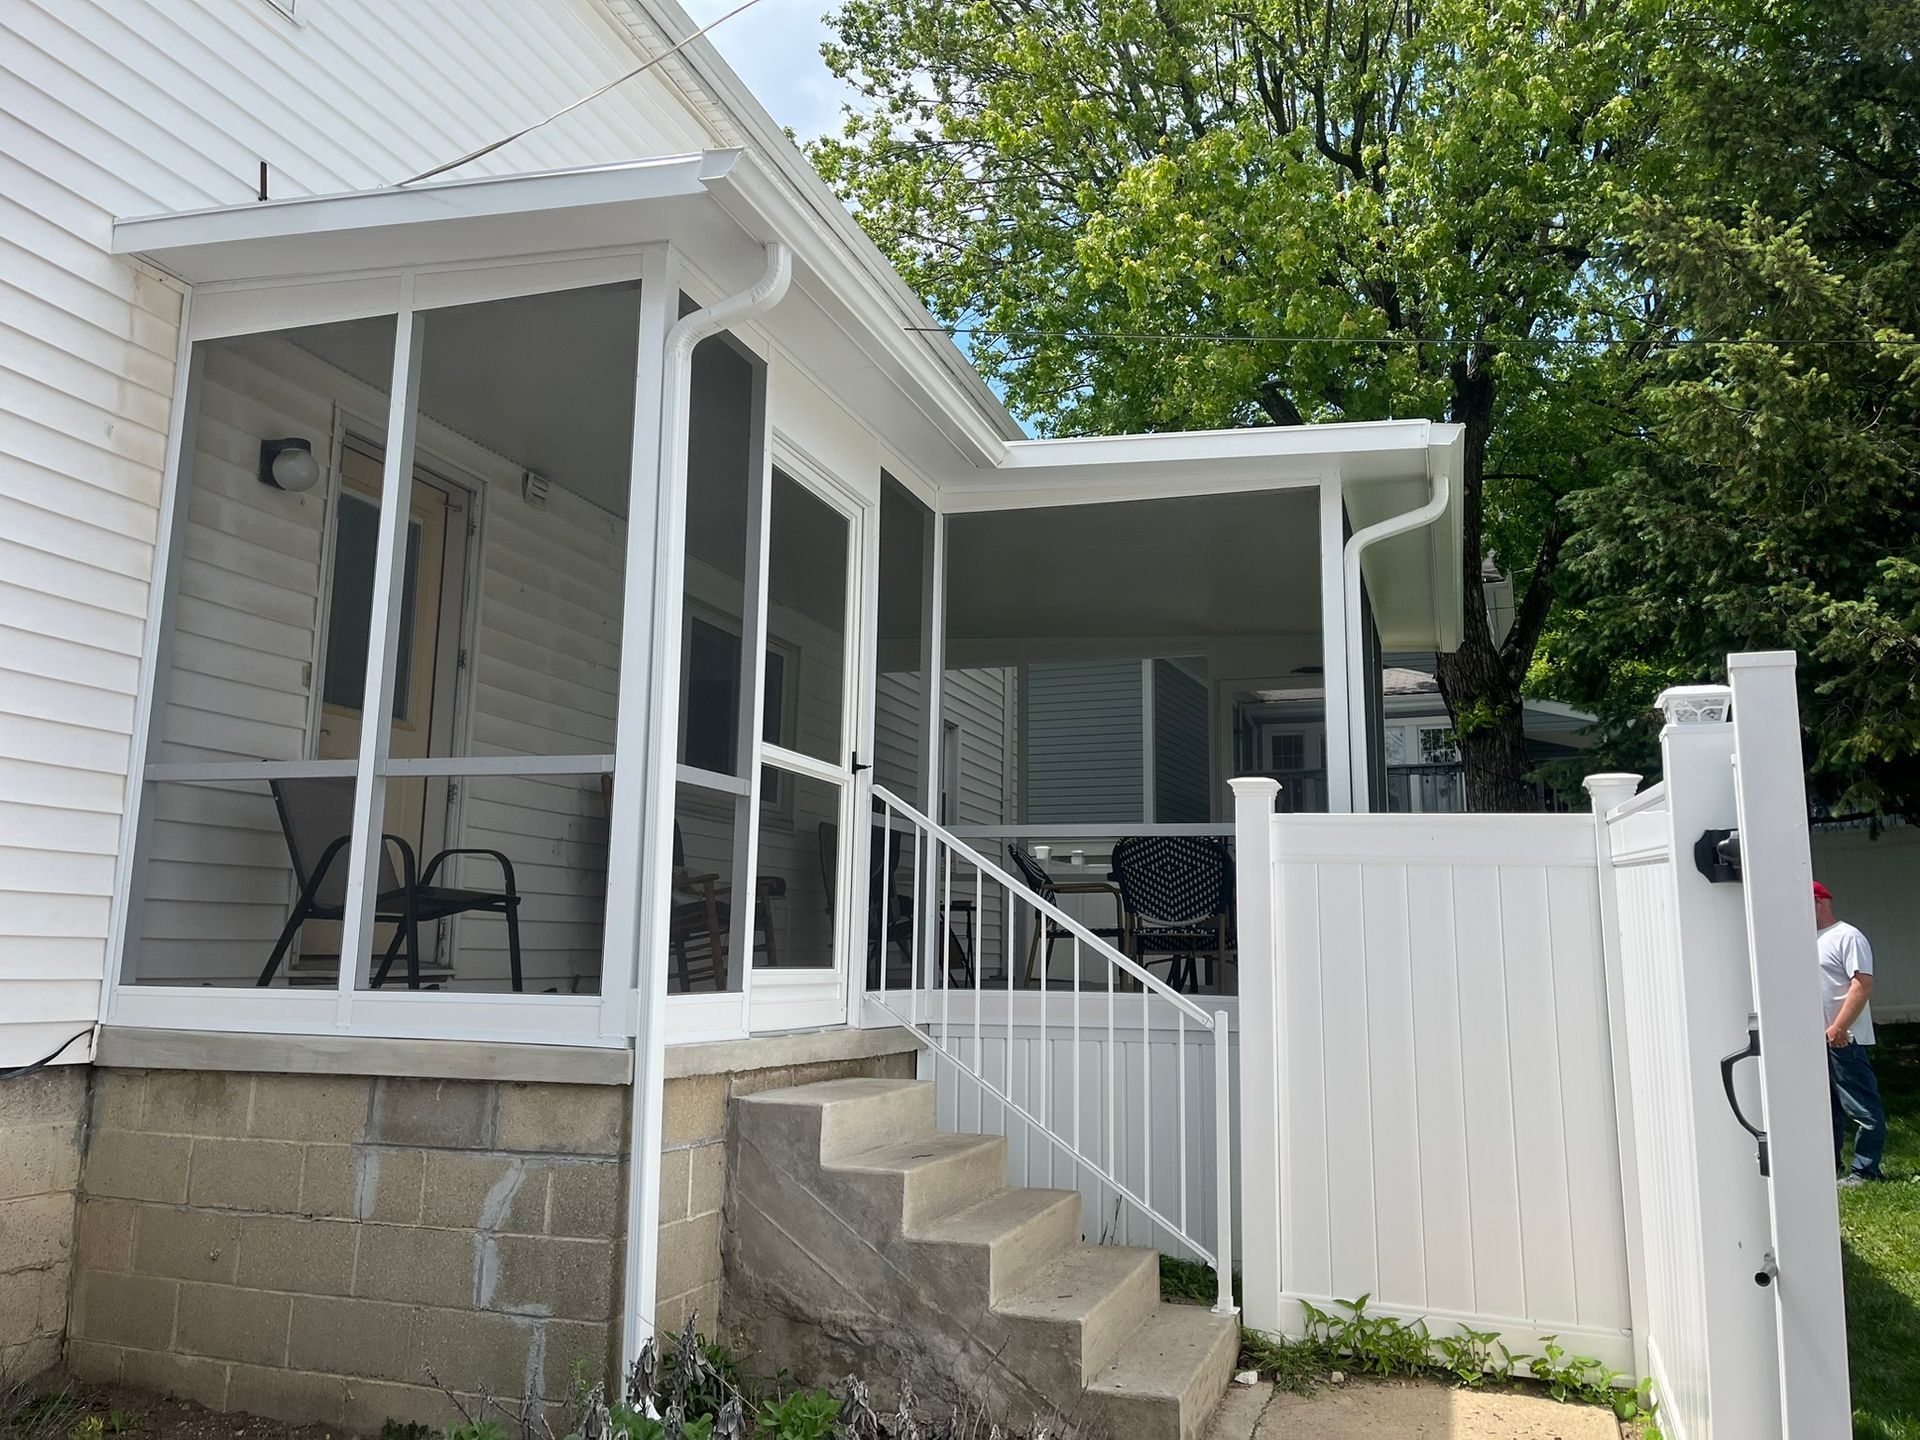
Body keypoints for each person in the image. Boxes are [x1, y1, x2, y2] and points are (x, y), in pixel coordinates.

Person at [1815, 880, 1886, 1185]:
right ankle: (1830, 1168)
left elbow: (1863, 984)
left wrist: (1838, 1028)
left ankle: (1866, 1171)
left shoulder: (1847, 936)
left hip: (1845, 1039)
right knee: (1824, 1110)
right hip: (1815, 1040)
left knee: (1862, 1107)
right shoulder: (1806, 939)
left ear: (1818, 902)